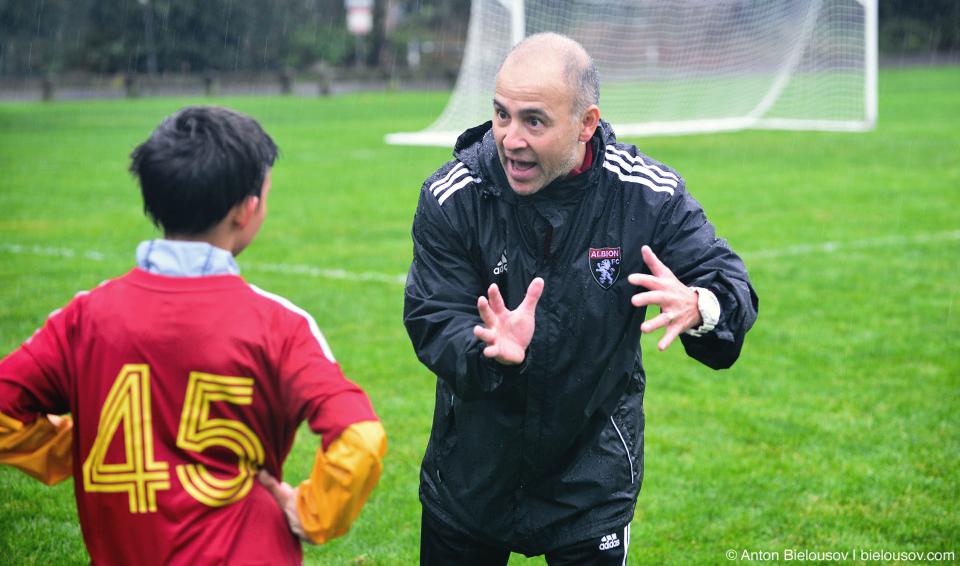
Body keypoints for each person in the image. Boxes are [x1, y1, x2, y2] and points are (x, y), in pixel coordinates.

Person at [403, 32, 758, 565]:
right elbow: (433, 314)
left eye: (534, 121)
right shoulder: (454, 195)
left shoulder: (644, 194)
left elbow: (728, 284)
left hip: (590, 481)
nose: (510, 138)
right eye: (502, 115)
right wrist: (485, 348)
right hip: (470, 478)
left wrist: (701, 306)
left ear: (586, 124)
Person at [0, 106, 387, 565]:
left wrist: (84, 444)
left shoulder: (85, 317)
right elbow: (360, 436)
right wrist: (312, 513)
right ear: (248, 210)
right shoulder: (279, 325)